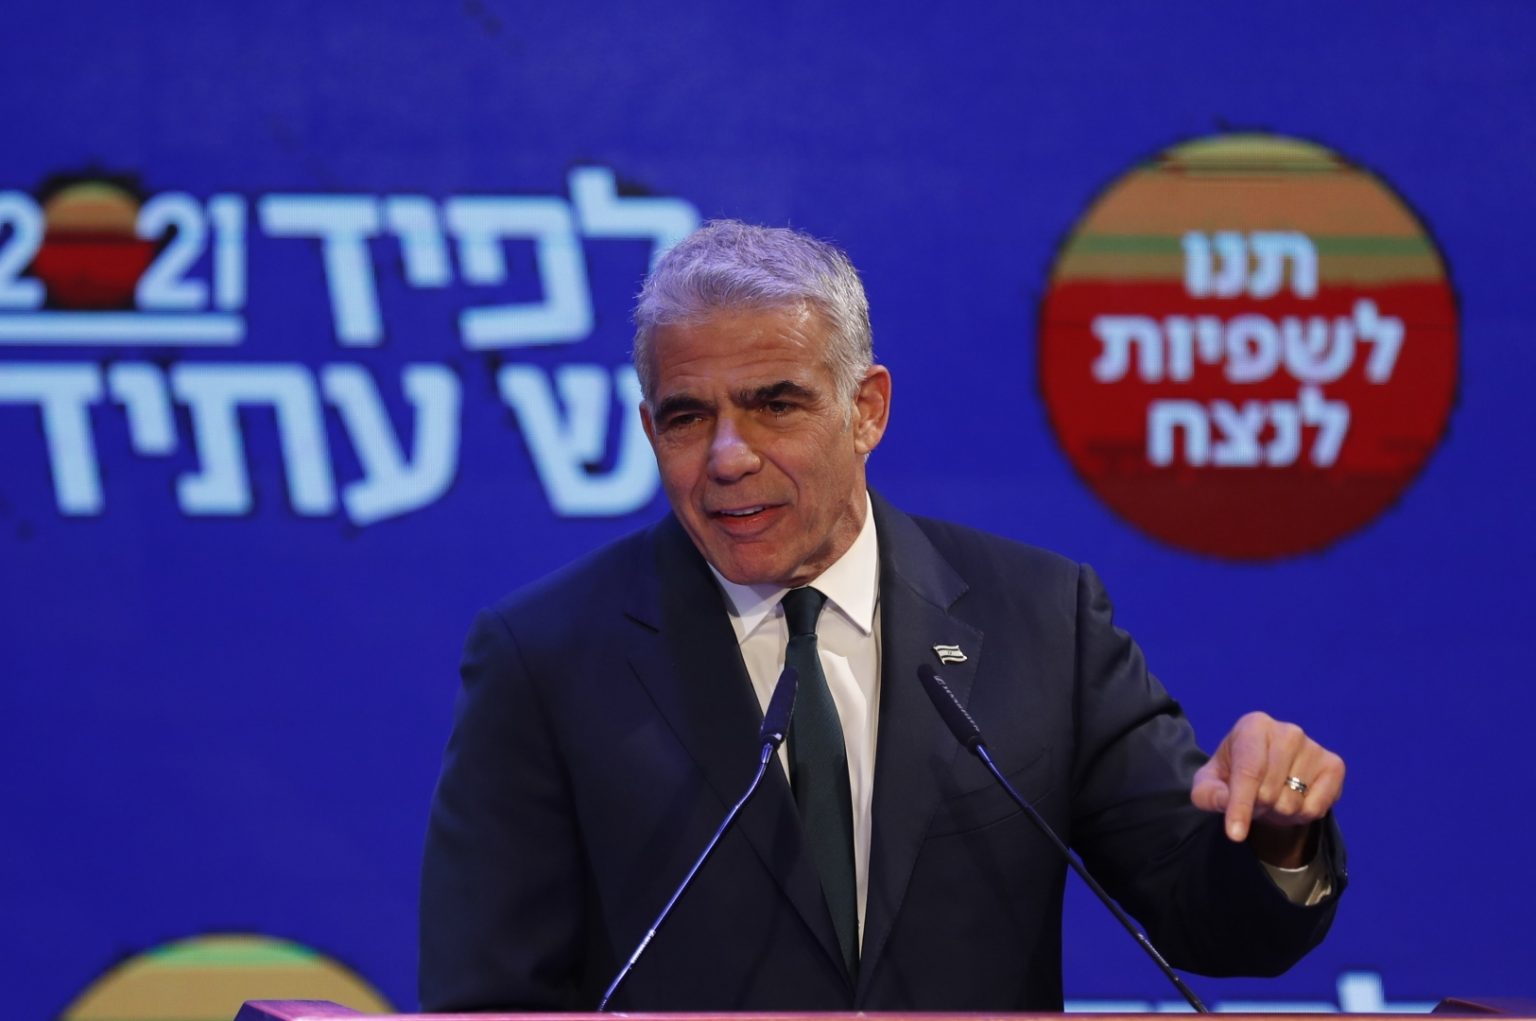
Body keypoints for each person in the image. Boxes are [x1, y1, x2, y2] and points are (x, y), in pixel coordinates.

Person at [419, 221, 1347, 1012]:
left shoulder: (1040, 619)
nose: (729, 455)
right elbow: (488, 1001)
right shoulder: (547, 659)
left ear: (866, 410)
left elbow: (1208, 917)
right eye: (687, 417)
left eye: (775, 404)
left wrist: (1275, 830)